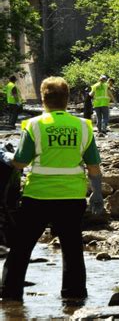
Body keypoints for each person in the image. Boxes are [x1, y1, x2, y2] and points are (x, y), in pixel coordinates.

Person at [0, 76, 104, 301]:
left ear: (43, 98)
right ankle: (74, 298)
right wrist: (97, 194)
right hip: (72, 196)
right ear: (67, 99)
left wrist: (3, 155)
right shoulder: (82, 126)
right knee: (73, 249)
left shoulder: (34, 125)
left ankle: (10, 297)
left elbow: (20, 163)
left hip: (38, 195)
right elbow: (94, 167)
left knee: (21, 249)